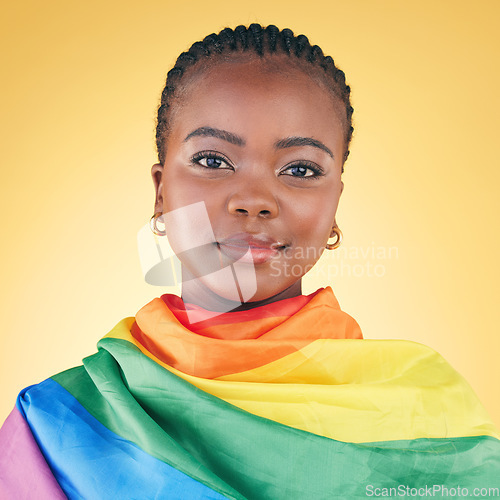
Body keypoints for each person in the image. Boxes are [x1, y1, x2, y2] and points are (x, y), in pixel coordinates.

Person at [1, 23, 499, 499]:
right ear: (160, 191)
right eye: (213, 160)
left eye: (301, 168)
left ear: (334, 206)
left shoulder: (427, 422)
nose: (256, 199)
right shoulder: (52, 428)